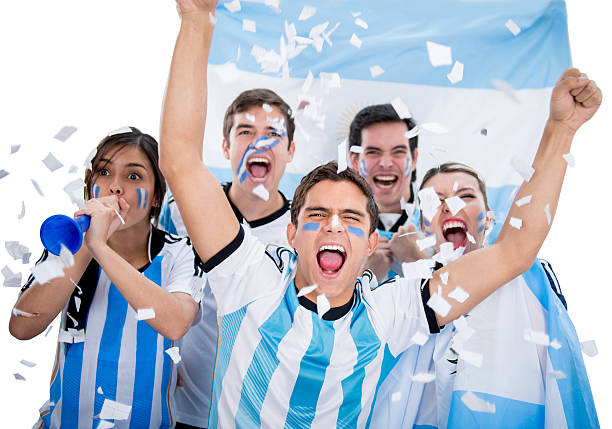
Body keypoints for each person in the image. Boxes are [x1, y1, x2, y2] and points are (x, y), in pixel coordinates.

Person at [160, 1, 601, 427]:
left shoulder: (392, 312)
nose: (334, 224)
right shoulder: (247, 277)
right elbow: (180, 157)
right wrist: (197, 19)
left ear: (373, 242)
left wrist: (560, 130)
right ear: (291, 234)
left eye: (351, 219)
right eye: (318, 213)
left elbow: (514, 251)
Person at [372, 162, 600, 428]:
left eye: (466, 196)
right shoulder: (395, 292)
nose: (449, 206)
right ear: (424, 222)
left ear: (489, 218)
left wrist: (415, 259)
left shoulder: (526, 279)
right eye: (436, 200)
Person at [9, 127, 204, 428]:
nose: (115, 187)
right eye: (104, 172)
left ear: (156, 198)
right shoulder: (68, 246)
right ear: (90, 185)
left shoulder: (180, 253)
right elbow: (22, 325)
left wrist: (99, 246)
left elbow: (176, 322)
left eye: (133, 176)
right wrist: (86, 245)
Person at [160, 88, 295, 429]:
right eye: (245, 132)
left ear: (291, 151)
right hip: (183, 410)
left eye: (273, 134)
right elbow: (150, 284)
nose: (259, 143)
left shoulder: (303, 232)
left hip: (260, 417)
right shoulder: (179, 212)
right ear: (226, 147)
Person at [349, 104, 427, 280]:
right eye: (373, 152)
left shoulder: (443, 224)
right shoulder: (332, 230)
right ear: (355, 160)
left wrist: (418, 263)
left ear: (414, 159)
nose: (385, 163)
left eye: (398, 152)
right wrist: (364, 278)